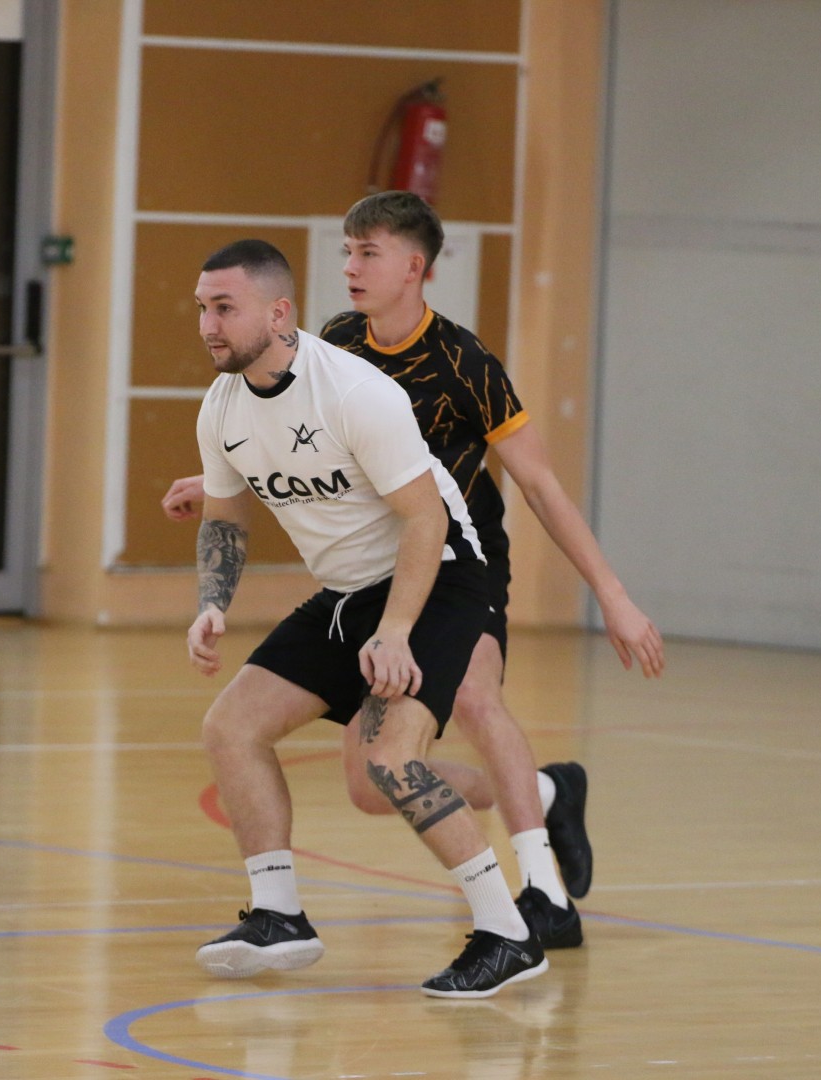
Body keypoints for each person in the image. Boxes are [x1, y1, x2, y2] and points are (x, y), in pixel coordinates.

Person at [164, 191, 665, 949]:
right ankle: (543, 791)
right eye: (346, 251)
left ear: (414, 267)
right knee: (372, 785)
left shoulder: (464, 363)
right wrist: (220, 484)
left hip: (459, 555)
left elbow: (538, 484)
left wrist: (613, 595)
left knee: (473, 698)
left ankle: (541, 895)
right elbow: (310, 448)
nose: (350, 266)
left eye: (368, 252)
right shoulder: (333, 343)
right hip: (375, 568)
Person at [187, 238, 546, 1000]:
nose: (209, 325)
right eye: (202, 309)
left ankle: (508, 932)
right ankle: (279, 915)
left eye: (224, 308)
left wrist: (395, 632)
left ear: (278, 313)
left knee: (389, 756)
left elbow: (425, 519)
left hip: (440, 578)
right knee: (232, 726)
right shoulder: (220, 408)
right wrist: (212, 605)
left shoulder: (354, 392)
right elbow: (224, 516)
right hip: (348, 592)